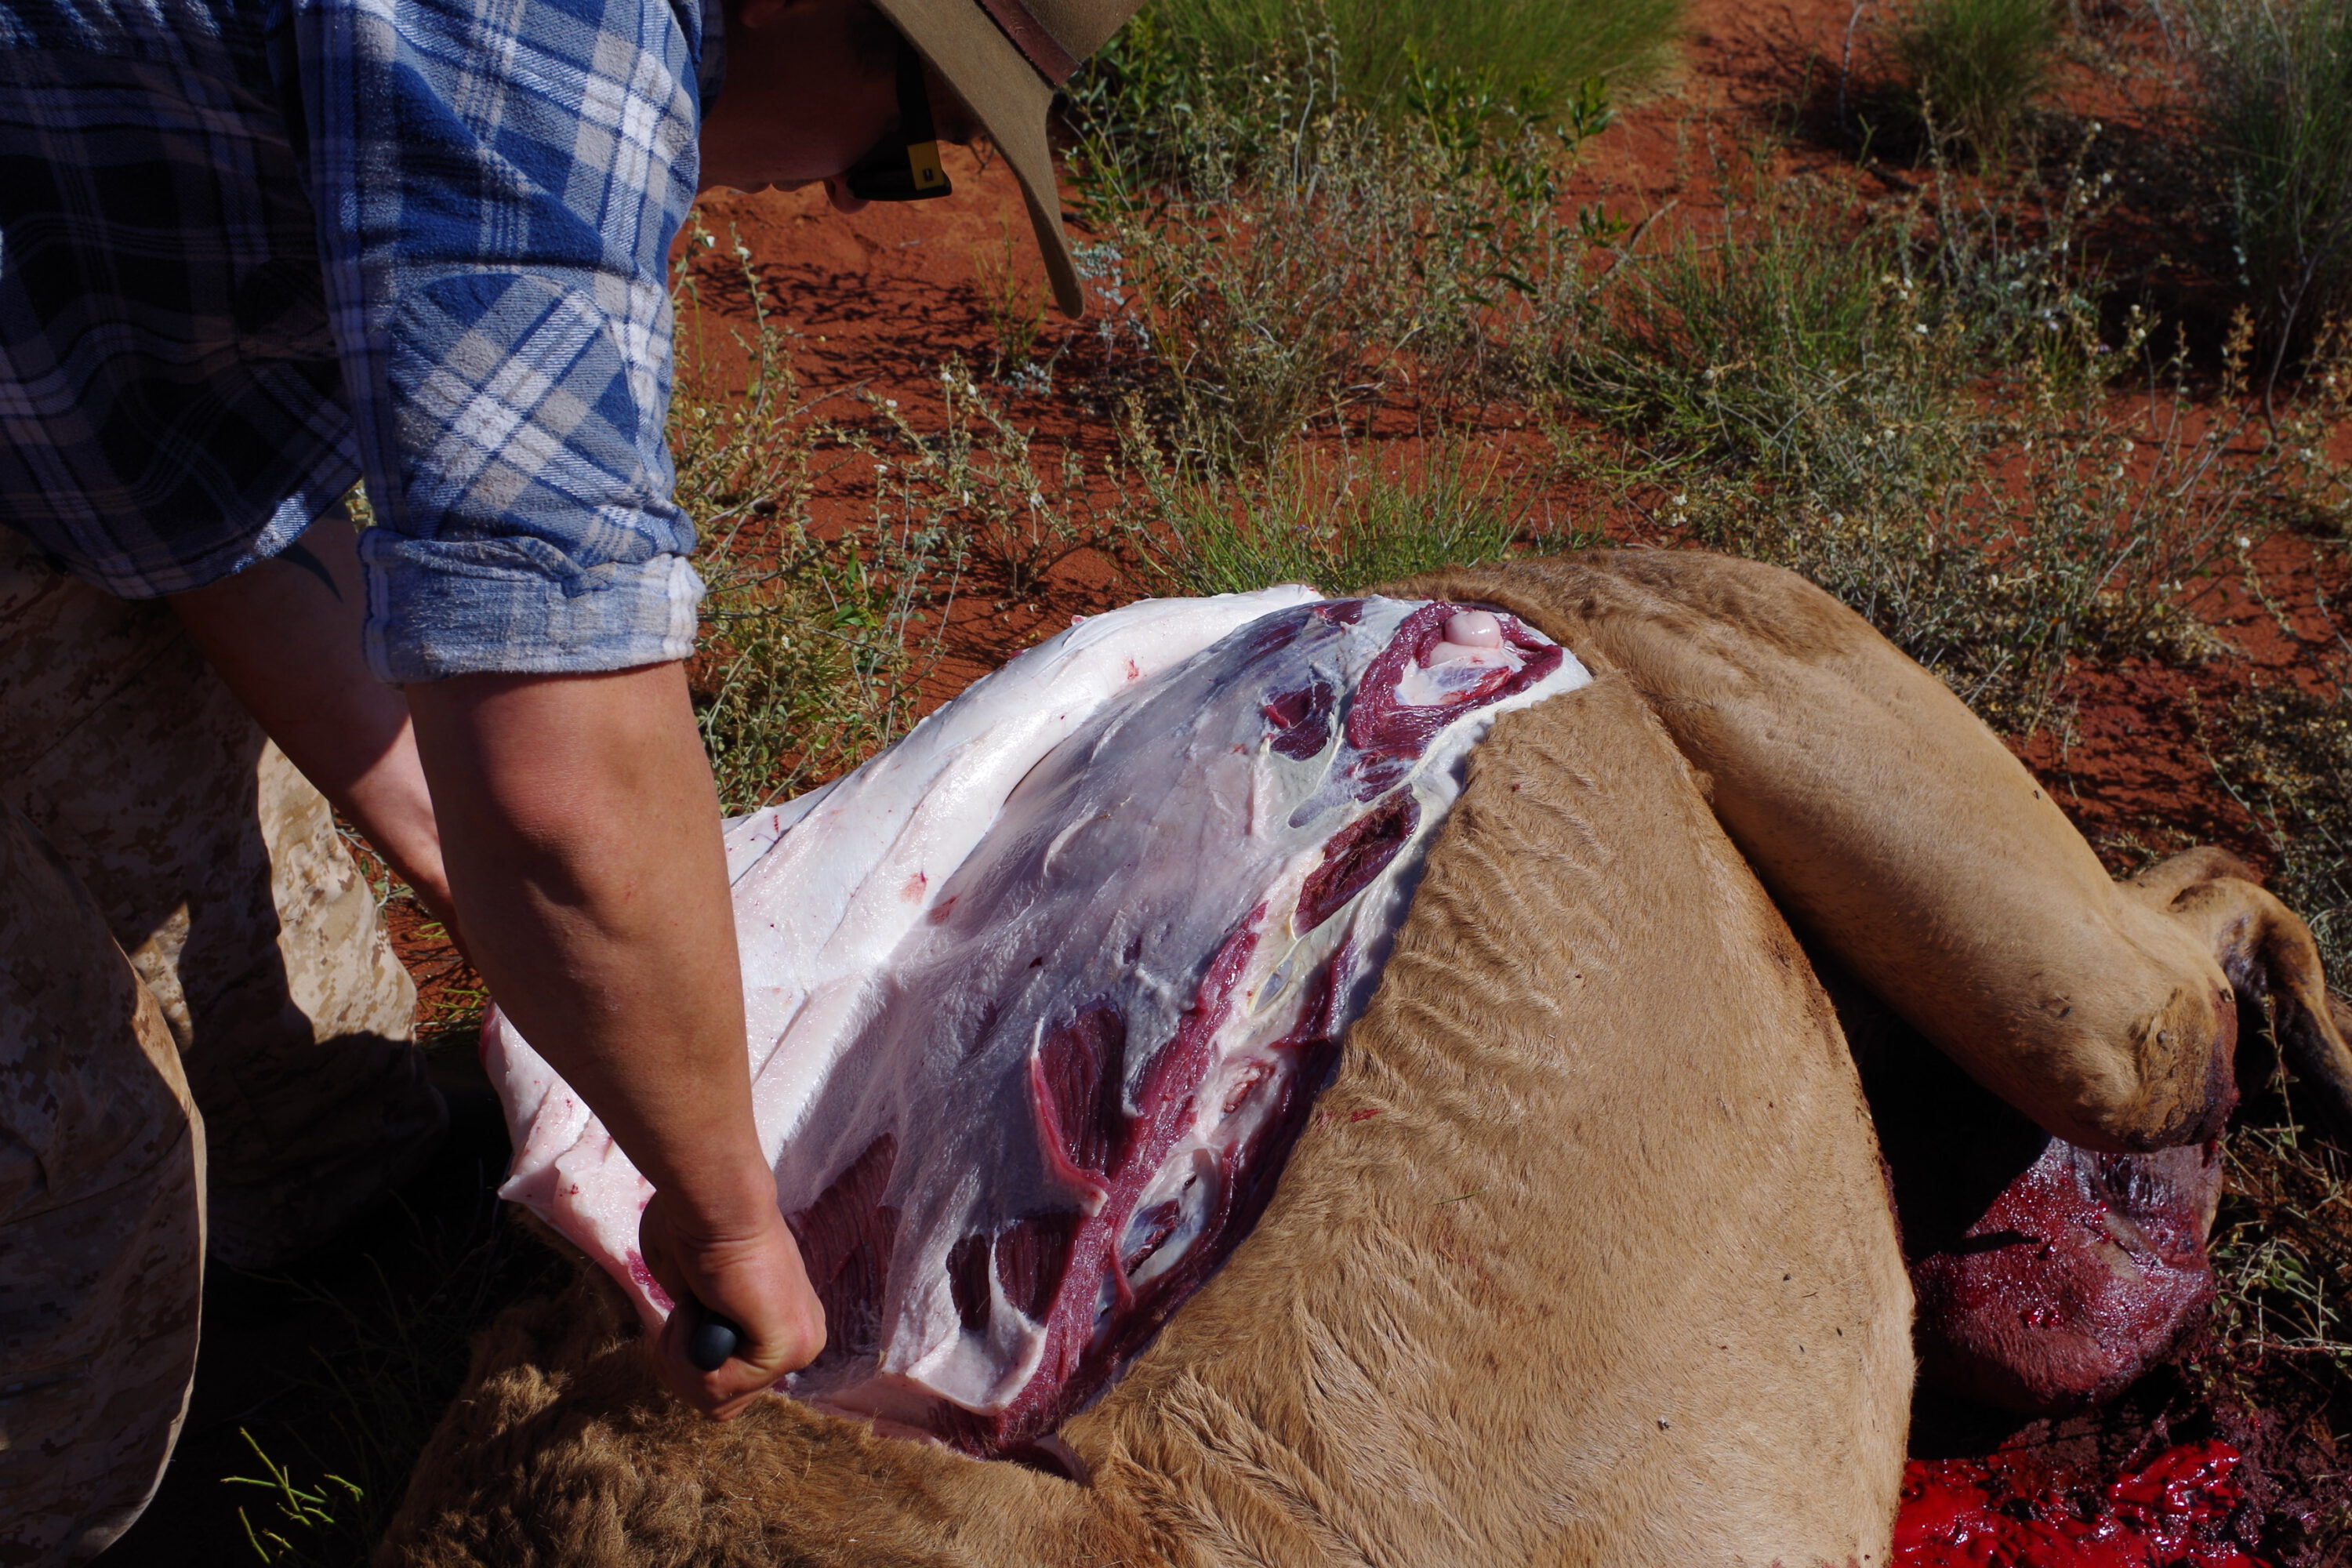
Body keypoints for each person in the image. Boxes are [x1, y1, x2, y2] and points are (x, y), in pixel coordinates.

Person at [0, 0, 1138, 1555]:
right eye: (913, 142)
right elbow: (562, 757)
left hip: (52, 407)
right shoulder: (540, 35)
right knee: (77, 1208)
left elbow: (208, 498)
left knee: (310, 1069)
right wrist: (727, 1210)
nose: (855, 193)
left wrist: (502, 899)